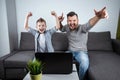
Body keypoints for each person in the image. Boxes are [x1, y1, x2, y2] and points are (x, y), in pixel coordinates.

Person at [58, 7, 108, 80]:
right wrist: (59, 21)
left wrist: (98, 17)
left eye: (74, 20)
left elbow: (90, 23)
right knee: (59, 61)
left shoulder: (83, 28)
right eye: (69, 21)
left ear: (78, 20)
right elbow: (61, 29)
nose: (72, 23)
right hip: (69, 51)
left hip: (81, 52)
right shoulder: (67, 27)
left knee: (84, 63)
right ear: (67, 21)